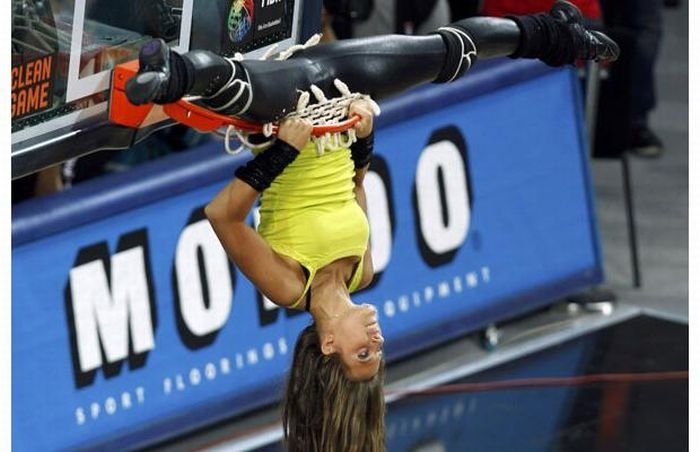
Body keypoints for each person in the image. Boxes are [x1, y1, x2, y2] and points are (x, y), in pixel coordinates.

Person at [124, 2, 618, 450]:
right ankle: (557, 33)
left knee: (227, 85)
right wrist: (364, 136)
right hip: (342, 95)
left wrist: (282, 152)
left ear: (330, 345)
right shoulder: (365, 270)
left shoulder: (289, 285)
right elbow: (354, 184)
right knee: (449, 54)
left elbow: (222, 215)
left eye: (363, 353)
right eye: (378, 353)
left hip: (282, 114)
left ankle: (164, 72)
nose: (378, 342)